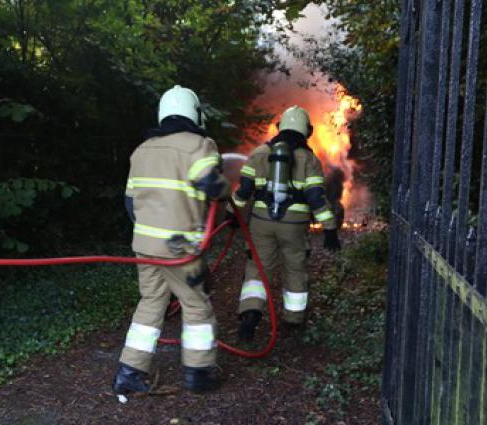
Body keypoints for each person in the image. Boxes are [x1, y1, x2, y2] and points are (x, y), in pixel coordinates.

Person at [114, 85, 231, 395]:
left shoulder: (142, 150)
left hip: (145, 247)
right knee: (196, 305)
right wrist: (227, 191)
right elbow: (214, 188)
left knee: (151, 302)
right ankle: (198, 374)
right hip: (181, 249)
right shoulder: (199, 146)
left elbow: (130, 203)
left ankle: (129, 373)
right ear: (194, 113)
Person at [231, 105, 340, 341]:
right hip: (294, 225)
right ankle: (293, 318)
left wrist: (233, 214)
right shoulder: (309, 159)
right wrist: (330, 229)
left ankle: (250, 313)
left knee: (257, 268)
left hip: (261, 222)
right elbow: (316, 198)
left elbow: (244, 190)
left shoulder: (260, 153)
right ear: (307, 131)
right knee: (295, 268)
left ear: (279, 128)